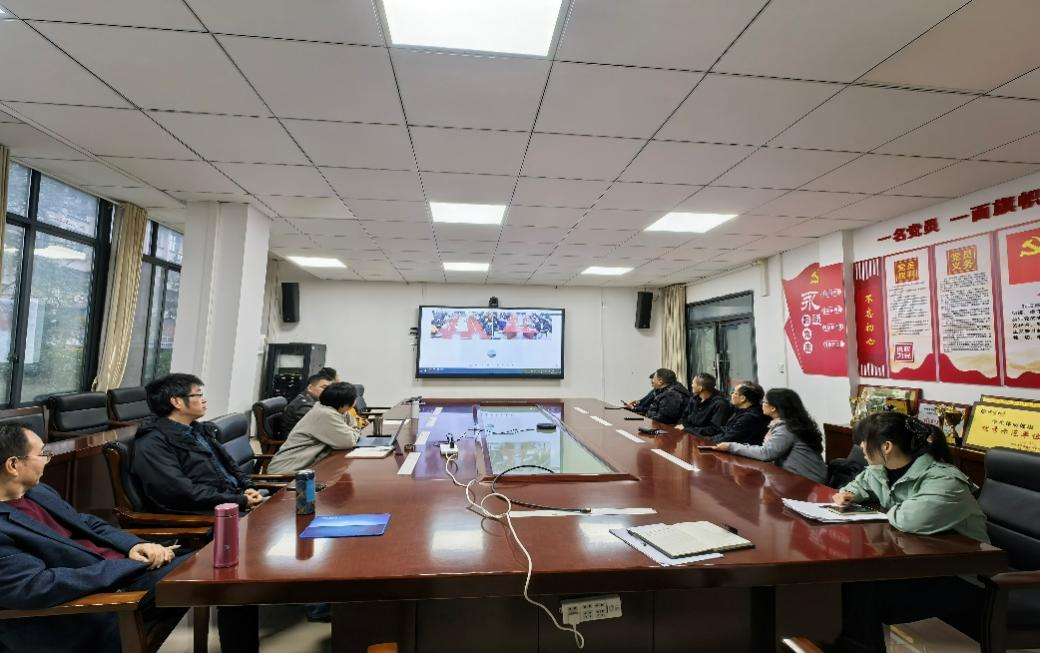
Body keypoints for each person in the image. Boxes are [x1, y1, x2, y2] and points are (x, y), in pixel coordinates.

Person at [0, 423, 258, 653]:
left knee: (228, 562)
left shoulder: (38, 492)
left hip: (127, 571)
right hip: (108, 598)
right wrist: (129, 566)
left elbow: (86, 523)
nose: (47, 460)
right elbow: (37, 586)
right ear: (13, 465)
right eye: (42, 454)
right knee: (227, 576)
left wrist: (135, 545)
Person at [834, 412, 989, 652]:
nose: (861, 446)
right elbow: (860, 484)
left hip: (963, 576)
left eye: (864, 440)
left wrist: (886, 509)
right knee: (849, 582)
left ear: (886, 446)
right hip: (921, 563)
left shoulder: (945, 480)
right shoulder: (881, 469)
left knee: (864, 589)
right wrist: (850, 494)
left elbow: (910, 519)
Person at [131, 373, 264, 515]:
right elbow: (181, 492)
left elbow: (230, 466)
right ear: (177, 402)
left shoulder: (198, 430)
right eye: (198, 395)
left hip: (229, 501)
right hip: (201, 514)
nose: (204, 400)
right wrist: (240, 500)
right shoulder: (153, 443)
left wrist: (248, 487)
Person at [714, 388, 826, 483]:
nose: (761, 405)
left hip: (806, 480)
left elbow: (767, 453)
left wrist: (731, 446)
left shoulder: (786, 428)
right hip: (792, 477)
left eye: (764, 402)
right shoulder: (789, 423)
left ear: (773, 408)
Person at [267, 382, 363, 474]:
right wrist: (355, 431)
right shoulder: (326, 414)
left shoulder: (333, 409)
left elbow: (353, 428)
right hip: (290, 470)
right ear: (347, 403)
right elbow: (348, 441)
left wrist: (353, 430)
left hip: (308, 465)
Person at [678, 373, 732, 438]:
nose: (691, 385)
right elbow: (684, 417)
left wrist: (689, 429)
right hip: (690, 433)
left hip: (706, 438)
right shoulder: (694, 399)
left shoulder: (720, 404)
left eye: (693, 383)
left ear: (700, 388)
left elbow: (715, 429)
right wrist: (685, 426)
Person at [281, 372, 334, 436]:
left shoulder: (310, 398)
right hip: (298, 440)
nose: (328, 391)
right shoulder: (304, 406)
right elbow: (324, 427)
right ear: (310, 388)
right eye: (324, 388)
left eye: (330, 389)